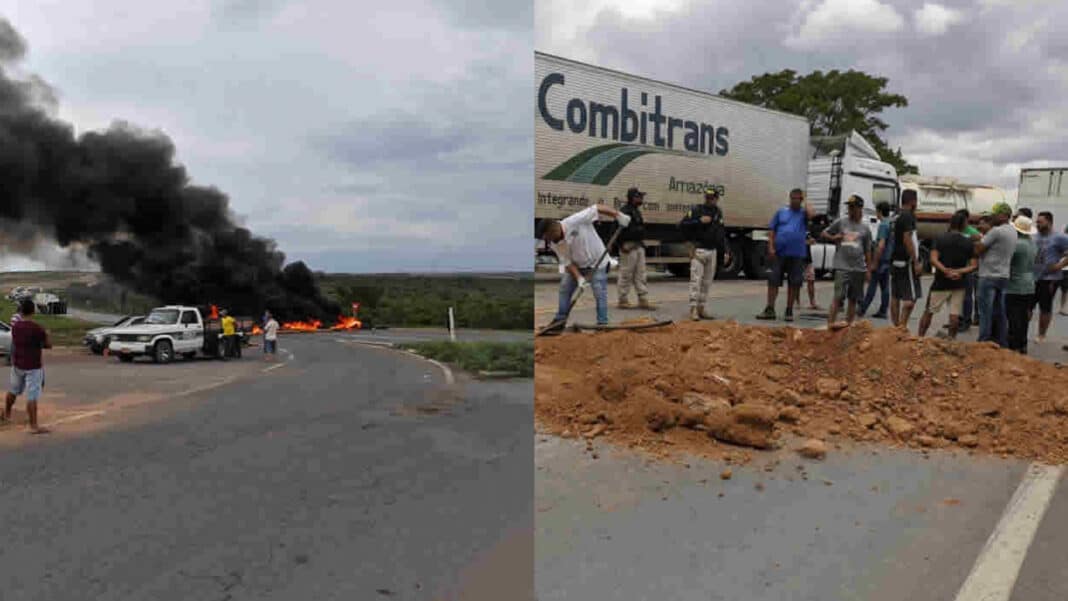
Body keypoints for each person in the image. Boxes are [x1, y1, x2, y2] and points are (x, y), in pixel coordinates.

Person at [538, 204, 630, 327]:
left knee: (599, 291)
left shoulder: (575, 221)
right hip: (577, 266)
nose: (548, 241)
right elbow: (567, 262)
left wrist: (618, 215)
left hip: (597, 263)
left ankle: (602, 324)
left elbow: (597, 207)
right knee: (565, 289)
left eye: (548, 237)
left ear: (553, 230)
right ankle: (559, 321)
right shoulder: (554, 244)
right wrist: (579, 278)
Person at [918, 211, 977, 339]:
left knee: (929, 311)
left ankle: (920, 339)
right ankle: (951, 341)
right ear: (964, 225)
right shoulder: (968, 243)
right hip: (959, 283)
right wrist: (958, 272)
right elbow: (973, 265)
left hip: (940, 282)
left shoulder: (940, 238)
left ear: (950, 224)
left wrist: (945, 271)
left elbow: (933, 259)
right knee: (954, 315)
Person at [757, 188, 813, 322]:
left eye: (797, 198)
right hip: (779, 253)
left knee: (794, 283)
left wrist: (807, 204)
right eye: (792, 198)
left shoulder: (803, 214)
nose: (794, 201)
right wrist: (770, 247)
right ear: (789, 198)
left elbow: (812, 214)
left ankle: (789, 310)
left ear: (801, 200)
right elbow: (772, 230)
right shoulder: (781, 212)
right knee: (773, 281)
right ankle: (770, 309)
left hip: (797, 254)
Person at [821, 195, 873, 328]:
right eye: (849, 207)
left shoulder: (865, 228)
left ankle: (848, 325)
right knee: (838, 296)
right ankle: (830, 324)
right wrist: (834, 237)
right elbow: (824, 233)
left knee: (853, 298)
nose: (850, 210)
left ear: (859, 208)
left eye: (853, 207)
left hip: (858, 267)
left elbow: (867, 250)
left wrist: (869, 269)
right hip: (842, 265)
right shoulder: (841, 222)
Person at [680, 187, 730, 321]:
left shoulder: (718, 212)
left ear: (716, 199)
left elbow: (721, 233)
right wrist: (698, 221)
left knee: (707, 282)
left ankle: (702, 308)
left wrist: (725, 251)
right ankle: (693, 309)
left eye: (712, 198)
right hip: (699, 250)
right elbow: (682, 225)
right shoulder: (696, 210)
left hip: (713, 251)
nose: (709, 200)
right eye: (707, 197)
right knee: (695, 281)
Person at [972, 202, 1016, 347]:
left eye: (995, 214)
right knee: (1000, 312)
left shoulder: (996, 231)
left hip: (988, 275)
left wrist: (976, 238)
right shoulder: (1013, 231)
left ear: (1003, 215)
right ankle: (1001, 341)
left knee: (985, 311)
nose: (993, 217)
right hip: (1003, 275)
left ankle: (983, 341)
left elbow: (978, 250)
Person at [3, 299, 51, 434]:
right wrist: (46, 335)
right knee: (32, 395)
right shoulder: (37, 328)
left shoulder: (16, 326)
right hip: (33, 365)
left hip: (18, 363)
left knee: (13, 390)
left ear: (21, 310)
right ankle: (33, 425)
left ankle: (6, 414)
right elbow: (48, 345)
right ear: (33, 311)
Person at [616, 187, 656, 310]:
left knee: (641, 274)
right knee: (626, 274)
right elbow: (615, 231)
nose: (641, 199)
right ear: (632, 197)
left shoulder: (636, 211)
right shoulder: (624, 211)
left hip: (638, 245)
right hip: (629, 246)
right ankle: (623, 299)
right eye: (639, 197)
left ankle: (643, 299)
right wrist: (621, 245)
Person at [1031, 212, 1068, 342]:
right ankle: (1022, 331)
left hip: (1049, 279)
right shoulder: (1034, 236)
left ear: (1049, 222)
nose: (1037, 224)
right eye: (1037, 222)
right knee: (1027, 305)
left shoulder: (1059, 237)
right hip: (1032, 277)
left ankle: (1041, 335)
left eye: (1040, 222)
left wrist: (1059, 266)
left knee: (1045, 307)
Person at [890, 189, 923, 328]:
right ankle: (902, 326)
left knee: (896, 295)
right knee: (911, 299)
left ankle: (896, 326)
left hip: (895, 259)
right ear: (913, 201)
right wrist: (915, 261)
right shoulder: (908, 216)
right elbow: (907, 238)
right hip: (906, 261)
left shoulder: (895, 216)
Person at [1005, 215, 1037, 353]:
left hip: (1015, 285)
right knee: (1024, 316)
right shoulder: (1032, 243)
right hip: (1029, 283)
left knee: (1013, 316)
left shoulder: (1016, 245)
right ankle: (1022, 344)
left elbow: (1008, 262)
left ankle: (1014, 344)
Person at [859, 201, 893, 319]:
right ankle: (883, 311)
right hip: (888, 260)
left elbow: (881, 245)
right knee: (885, 287)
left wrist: (874, 262)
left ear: (879, 211)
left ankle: (862, 309)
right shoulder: (891, 223)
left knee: (872, 285)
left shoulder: (883, 225)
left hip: (881, 260)